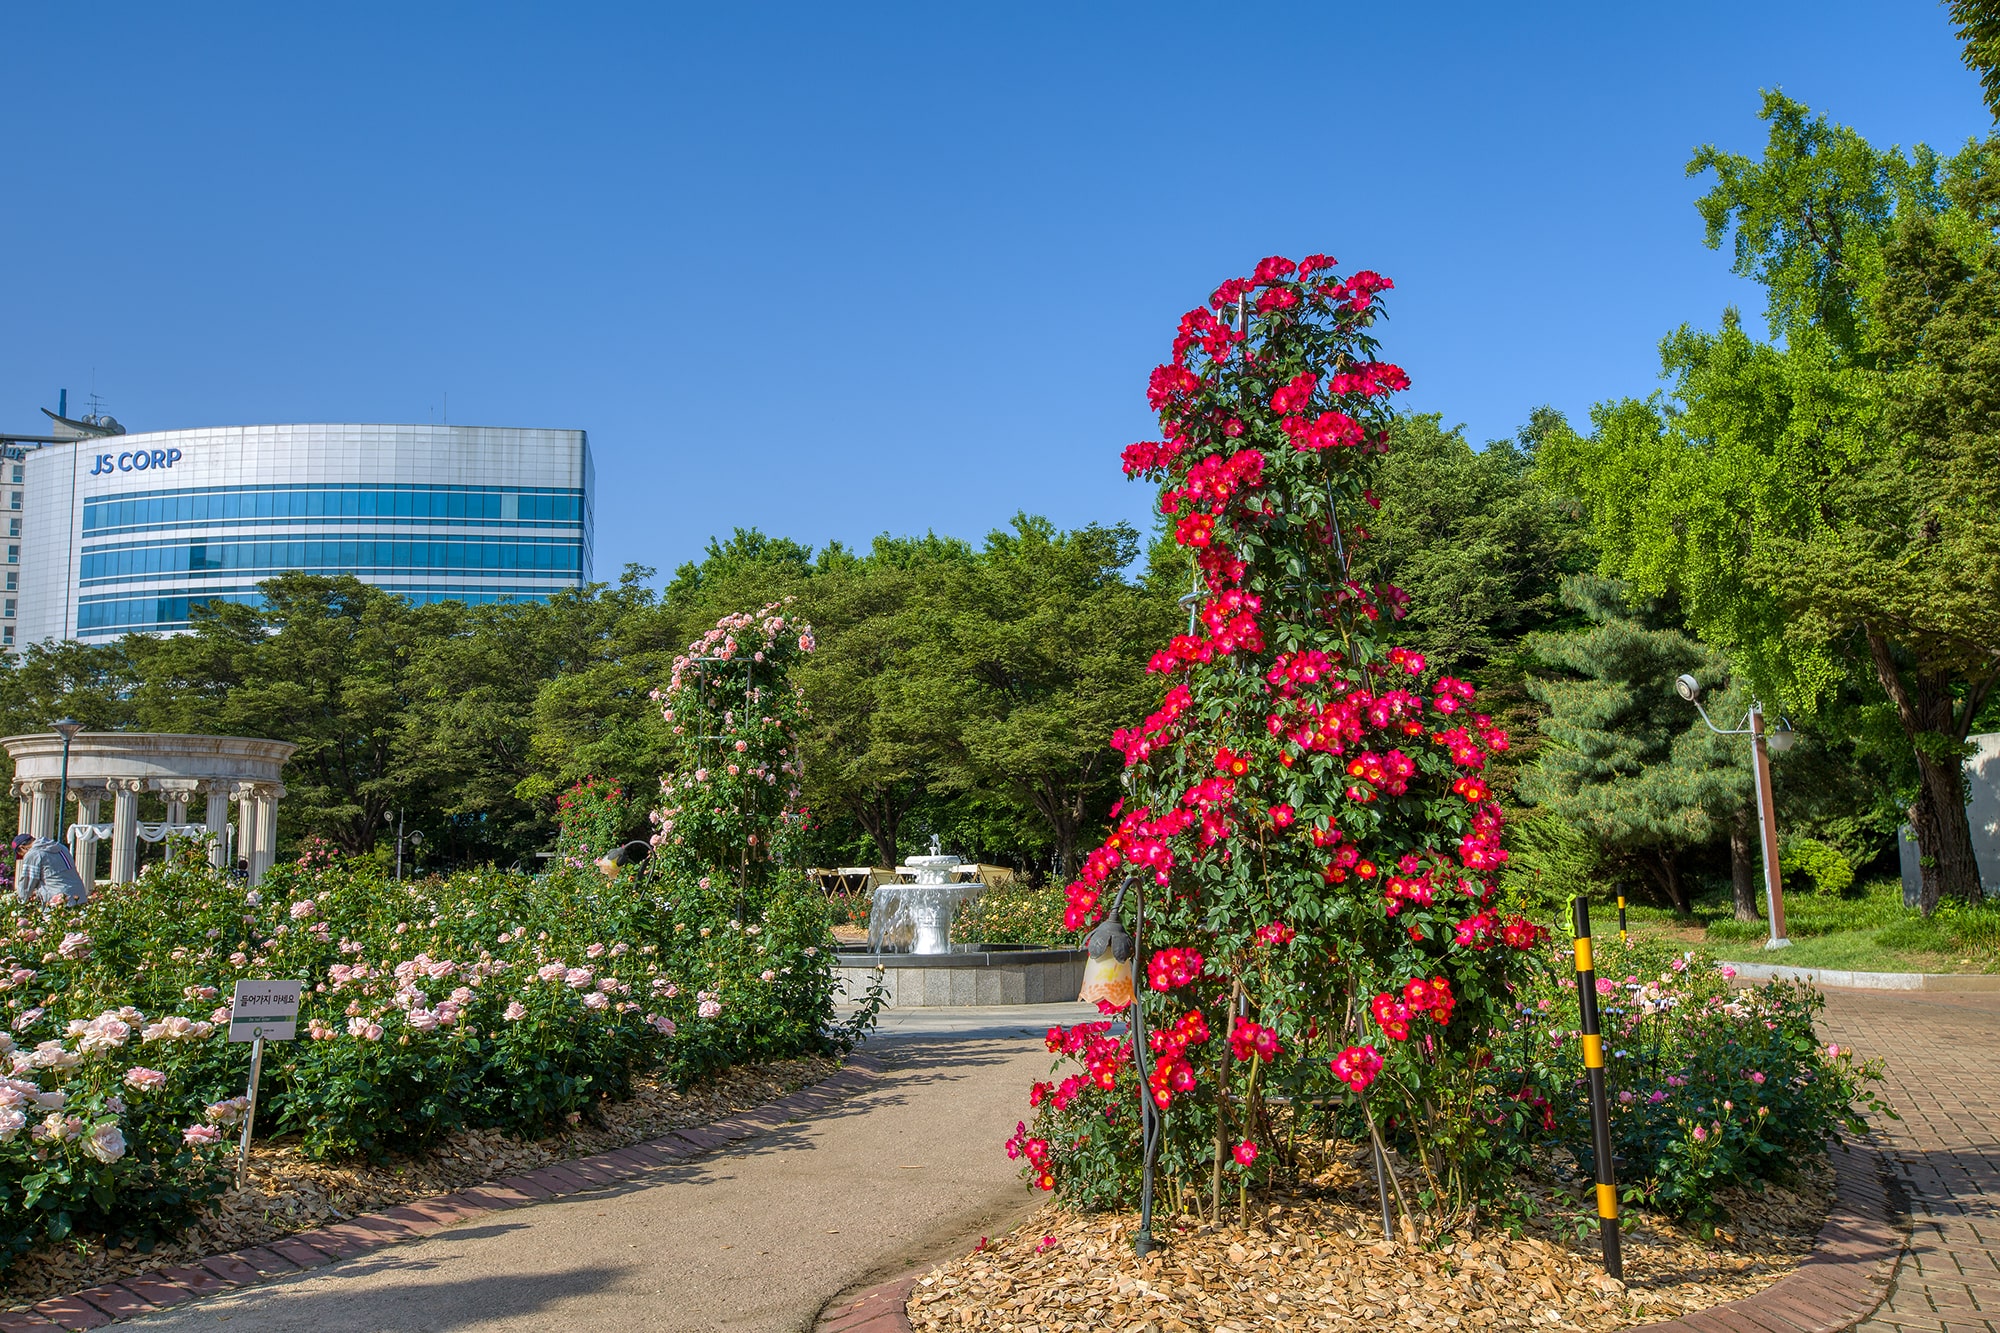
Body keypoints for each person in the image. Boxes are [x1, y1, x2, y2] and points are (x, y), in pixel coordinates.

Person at [13, 833, 88, 906]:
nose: (24, 856)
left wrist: (20, 900)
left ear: (22, 848)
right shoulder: (61, 847)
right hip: (79, 895)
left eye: (21, 854)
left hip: (59, 899)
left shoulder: (33, 854)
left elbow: (28, 882)